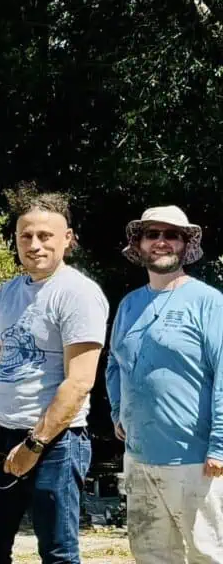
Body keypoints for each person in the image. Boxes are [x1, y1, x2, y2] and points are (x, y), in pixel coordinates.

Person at [0, 186, 109, 564]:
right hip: (1, 438)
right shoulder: (10, 292)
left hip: (57, 444)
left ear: (67, 239)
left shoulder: (78, 293)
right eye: (25, 235)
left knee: (58, 553)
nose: (35, 244)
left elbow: (79, 381)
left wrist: (34, 445)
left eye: (45, 235)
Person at [106, 205, 223, 563]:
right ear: (138, 243)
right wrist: (117, 411)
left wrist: (220, 444)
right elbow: (114, 364)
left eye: (171, 235)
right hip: (139, 458)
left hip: (197, 459)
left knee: (207, 554)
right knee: (151, 555)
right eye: (152, 234)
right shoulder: (129, 304)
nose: (161, 242)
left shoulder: (209, 302)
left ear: (185, 245)